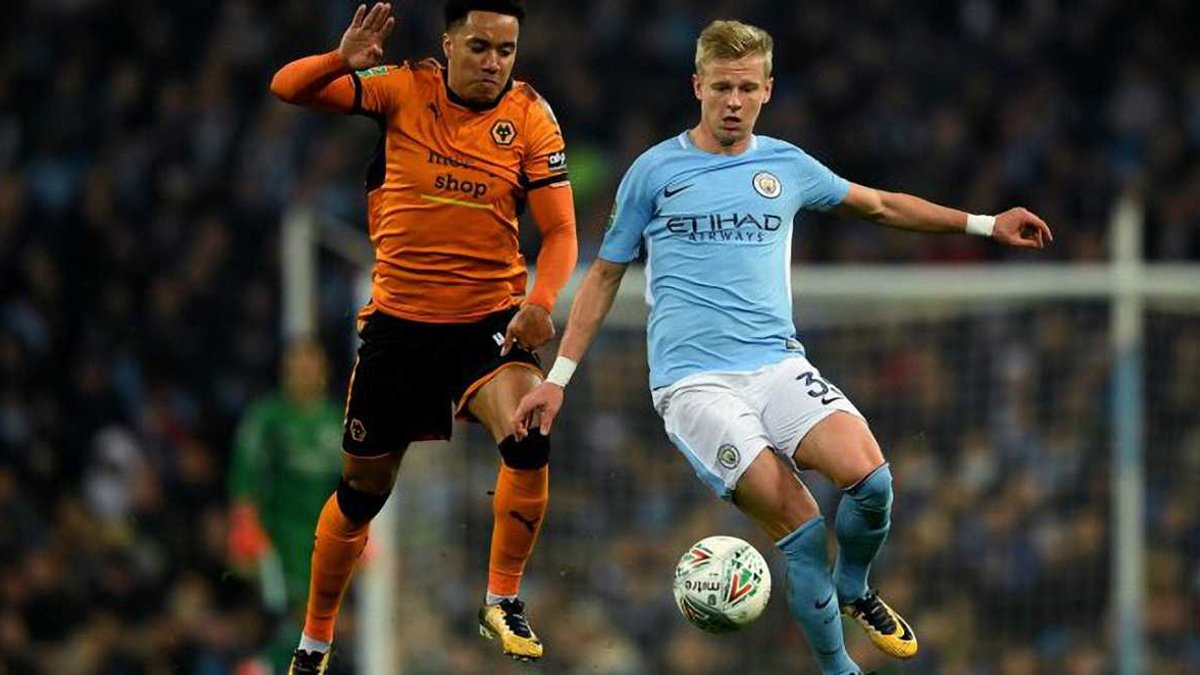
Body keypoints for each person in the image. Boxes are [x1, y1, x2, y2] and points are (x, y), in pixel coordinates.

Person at [512, 19, 1052, 675]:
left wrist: (986, 223)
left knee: (873, 481)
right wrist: (558, 379)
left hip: (777, 364)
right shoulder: (653, 172)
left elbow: (881, 206)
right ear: (697, 86)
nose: (733, 101)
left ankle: (854, 586)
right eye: (721, 87)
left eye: (746, 88)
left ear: (767, 89)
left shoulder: (786, 165)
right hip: (693, 385)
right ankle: (838, 667)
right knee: (801, 524)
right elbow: (603, 276)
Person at [269, 0, 578, 671]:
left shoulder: (530, 115)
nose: (493, 62)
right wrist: (340, 60)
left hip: (487, 322)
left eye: (505, 50)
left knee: (529, 432)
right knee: (361, 495)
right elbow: (287, 87)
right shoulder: (403, 89)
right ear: (449, 43)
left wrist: (541, 301)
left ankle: (501, 599)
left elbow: (559, 232)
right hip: (400, 330)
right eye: (480, 46)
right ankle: (314, 643)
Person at [226, 340, 344, 671]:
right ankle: (261, 667)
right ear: (284, 373)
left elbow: (353, 484)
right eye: (296, 368)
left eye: (310, 367)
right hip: (277, 539)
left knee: (316, 627)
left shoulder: (336, 420)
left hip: (323, 542)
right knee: (301, 620)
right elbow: (244, 473)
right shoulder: (268, 417)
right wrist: (244, 527)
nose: (303, 375)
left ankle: (262, 666)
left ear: (323, 371)